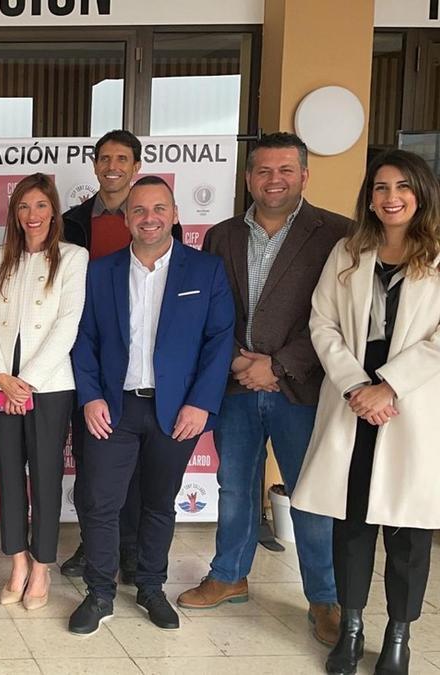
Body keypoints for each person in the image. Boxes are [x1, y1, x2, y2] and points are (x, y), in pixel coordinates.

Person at [177, 133, 349, 646]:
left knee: (310, 495)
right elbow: (209, 307)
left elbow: (339, 319)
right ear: (248, 177)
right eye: (263, 171)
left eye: (285, 170)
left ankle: (325, 598)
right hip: (234, 385)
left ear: (303, 175)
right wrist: (233, 359)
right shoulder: (223, 235)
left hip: (301, 388)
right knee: (234, 487)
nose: (273, 180)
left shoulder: (338, 235)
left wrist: (278, 366)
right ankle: (229, 575)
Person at [294, 149, 440, 675]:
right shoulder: (349, 250)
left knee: (407, 530)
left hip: (411, 407)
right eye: (380, 188)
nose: (391, 197)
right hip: (353, 398)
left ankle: (398, 637)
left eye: (402, 187)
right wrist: (359, 385)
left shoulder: (439, 255)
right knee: (352, 525)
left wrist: (390, 387)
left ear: (421, 193)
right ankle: (350, 630)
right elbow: (321, 322)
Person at [69, 176, 233, 635]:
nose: (149, 218)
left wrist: (199, 404)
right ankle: (99, 593)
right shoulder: (100, 272)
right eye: (139, 210)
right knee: (100, 503)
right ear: (126, 218)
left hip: (175, 411)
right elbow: (83, 340)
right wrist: (91, 396)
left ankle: (150, 587)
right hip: (113, 408)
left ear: (176, 215)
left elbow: (219, 343)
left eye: (159, 209)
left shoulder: (205, 271)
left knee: (159, 503)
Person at [60, 129, 184, 583]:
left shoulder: (157, 219)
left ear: (135, 165)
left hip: (150, 371)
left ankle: (131, 553)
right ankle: (94, 549)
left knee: (146, 481)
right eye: (105, 158)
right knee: (98, 474)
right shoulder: (72, 221)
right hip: (91, 364)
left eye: (122, 158)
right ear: (95, 165)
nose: (113, 165)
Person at [0, 173, 88, 609]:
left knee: (45, 477)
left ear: (54, 210)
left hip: (49, 387)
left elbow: (68, 325)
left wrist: (29, 383)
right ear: (15, 214)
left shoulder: (73, 258)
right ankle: (17, 562)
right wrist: (3, 377)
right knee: (9, 476)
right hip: (0, 384)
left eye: (40, 206)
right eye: (24, 207)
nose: (32, 215)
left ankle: (42, 567)